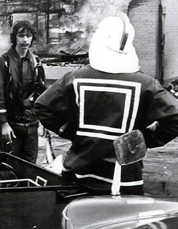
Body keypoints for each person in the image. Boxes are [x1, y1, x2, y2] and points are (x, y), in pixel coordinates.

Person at [35, 13, 178, 195]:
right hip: (123, 177)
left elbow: (42, 107)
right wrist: (144, 139)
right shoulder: (146, 84)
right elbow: (175, 117)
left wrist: (71, 132)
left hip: (79, 170)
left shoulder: (74, 78)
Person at [0, 20, 46, 163]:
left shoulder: (36, 62)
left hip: (31, 125)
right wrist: (3, 124)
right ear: (14, 38)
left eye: (28, 36)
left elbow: (41, 93)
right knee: (11, 166)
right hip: (12, 125)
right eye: (21, 36)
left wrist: (43, 122)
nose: (25, 40)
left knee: (30, 166)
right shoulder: (2, 62)